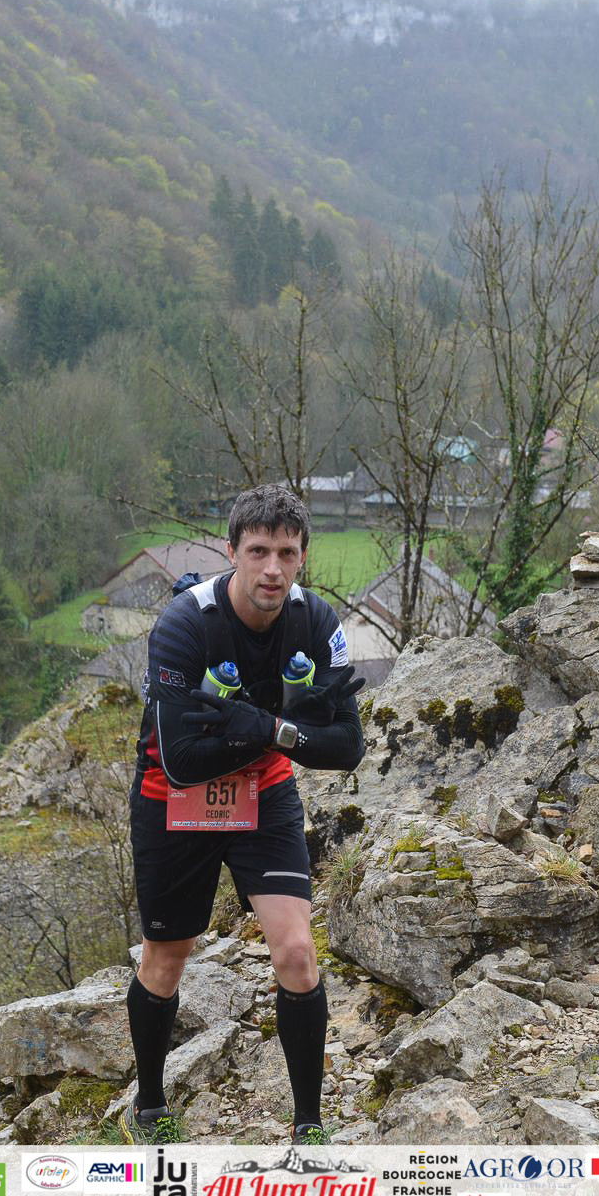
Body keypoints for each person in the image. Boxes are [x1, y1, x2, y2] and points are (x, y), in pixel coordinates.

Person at [125, 484, 365, 1146]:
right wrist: (292, 731)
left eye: (286, 553)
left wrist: (264, 729)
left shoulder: (316, 622)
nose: (272, 569)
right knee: (167, 957)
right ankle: (149, 1105)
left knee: (296, 952)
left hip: (265, 794)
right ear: (231, 551)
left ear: (303, 556)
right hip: (172, 801)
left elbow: (346, 748)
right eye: (258, 551)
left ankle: (309, 1126)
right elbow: (183, 761)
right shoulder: (184, 625)